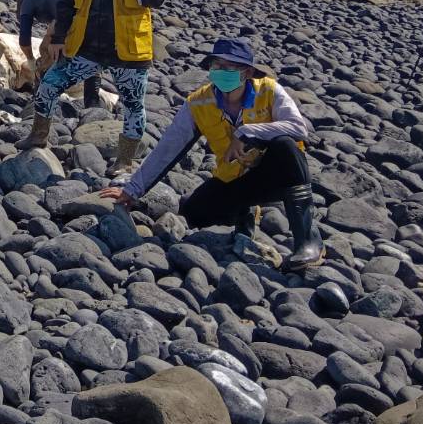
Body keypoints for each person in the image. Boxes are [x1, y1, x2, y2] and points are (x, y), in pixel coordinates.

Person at [100, 38, 323, 270]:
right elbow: (168, 148)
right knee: (194, 214)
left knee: (286, 145)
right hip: (235, 179)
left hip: (278, 176)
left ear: (247, 72)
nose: (221, 72)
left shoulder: (269, 90)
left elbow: (298, 128)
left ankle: (308, 240)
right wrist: (133, 190)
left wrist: (248, 131)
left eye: (230, 68)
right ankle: (243, 215)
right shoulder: (198, 102)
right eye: (217, 66)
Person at [23, 0, 166, 176]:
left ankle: (124, 160)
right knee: (48, 86)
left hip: (128, 53)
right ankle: (38, 136)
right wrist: (57, 39)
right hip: (87, 50)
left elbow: (156, 0)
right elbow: (66, 5)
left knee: (133, 105)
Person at [16, 0, 99, 107]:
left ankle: (42, 100)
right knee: (90, 54)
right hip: (92, 5)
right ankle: (92, 105)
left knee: (47, 54)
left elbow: (24, 40)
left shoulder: (28, 3)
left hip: (72, 11)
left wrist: (31, 60)